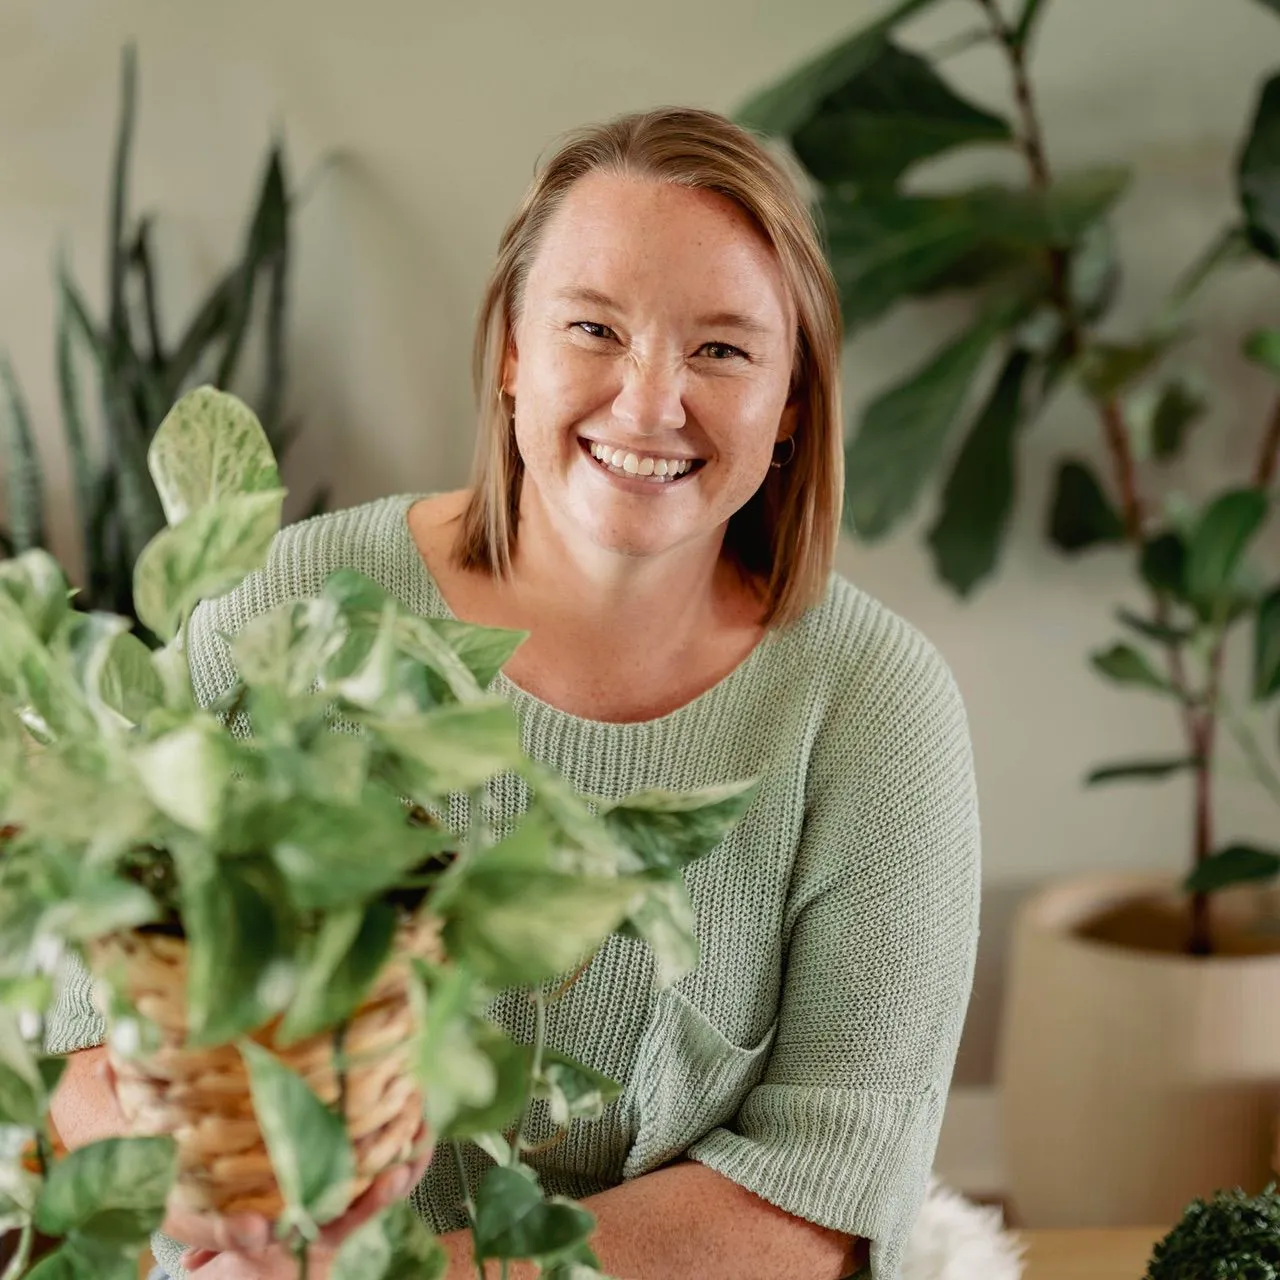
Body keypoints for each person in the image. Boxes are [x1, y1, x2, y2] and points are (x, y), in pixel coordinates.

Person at [47, 105, 981, 1280]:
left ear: (791, 400)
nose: (649, 403)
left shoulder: (872, 707)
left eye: (723, 349)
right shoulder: (289, 601)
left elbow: (828, 1191)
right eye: (594, 327)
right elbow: (74, 1043)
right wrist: (209, 1204)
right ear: (510, 354)